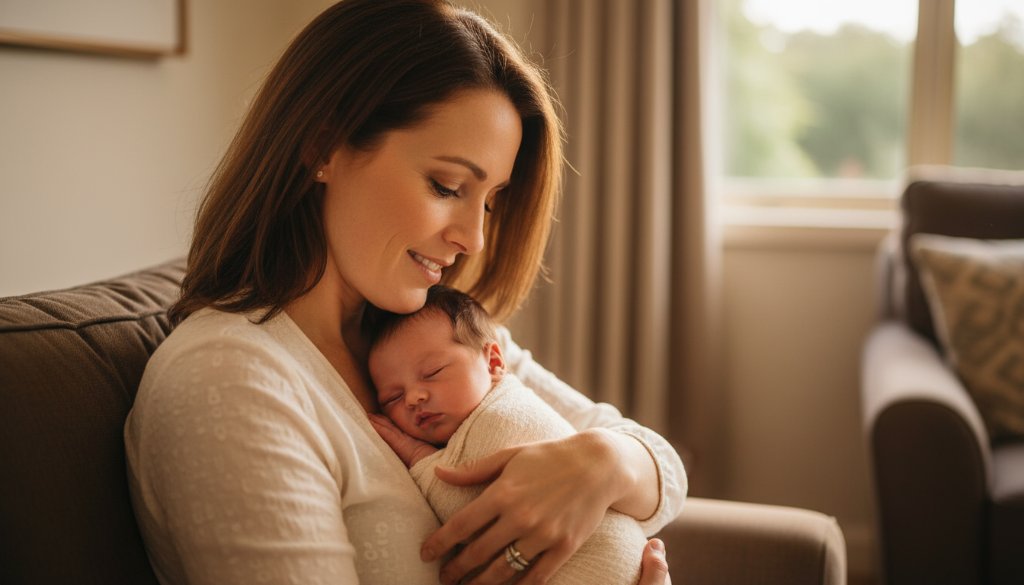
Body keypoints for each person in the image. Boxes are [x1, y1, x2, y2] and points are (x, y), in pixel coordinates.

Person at [123, 1, 686, 584]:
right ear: (322, 149)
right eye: (447, 186)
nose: (473, 238)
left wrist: (602, 462)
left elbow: (662, 469)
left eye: (489, 201)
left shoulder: (433, 340)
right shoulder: (232, 378)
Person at [365, 284, 648, 585]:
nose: (413, 398)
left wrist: (420, 459)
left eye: (433, 372)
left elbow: (472, 512)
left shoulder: (503, 415)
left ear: (494, 362)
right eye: (392, 398)